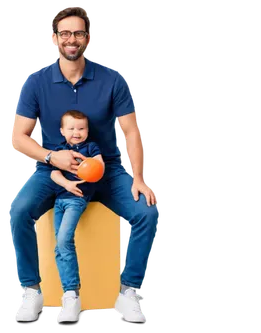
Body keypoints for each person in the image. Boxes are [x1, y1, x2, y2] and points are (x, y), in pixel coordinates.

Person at [9, 5, 160, 326]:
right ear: (55, 39)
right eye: (65, 33)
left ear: (88, 38)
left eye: (78, 33)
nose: (72, 39)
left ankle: (129, 292)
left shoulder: (112, 80)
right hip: (53, 170)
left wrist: (139, 178)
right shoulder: (36, 83)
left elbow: (131, 131)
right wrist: (52, 157)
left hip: (106, 169)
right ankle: (31, 290)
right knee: (19, 211)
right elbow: (19, 138)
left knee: (147, 211)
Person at [49, 110, 104, 324]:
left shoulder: (91, 148)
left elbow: (99, 167)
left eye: (81, 128)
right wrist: (67, 183)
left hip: (76, 199)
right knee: (58, 247)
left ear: (87, 130)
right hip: (59, 200)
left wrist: (85, 165)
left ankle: (72, 293)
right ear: (62, 131)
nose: (76, 132)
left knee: (64, 241)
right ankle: (68, 295)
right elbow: (53, 173)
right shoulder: (59, 150)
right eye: (71, 128)